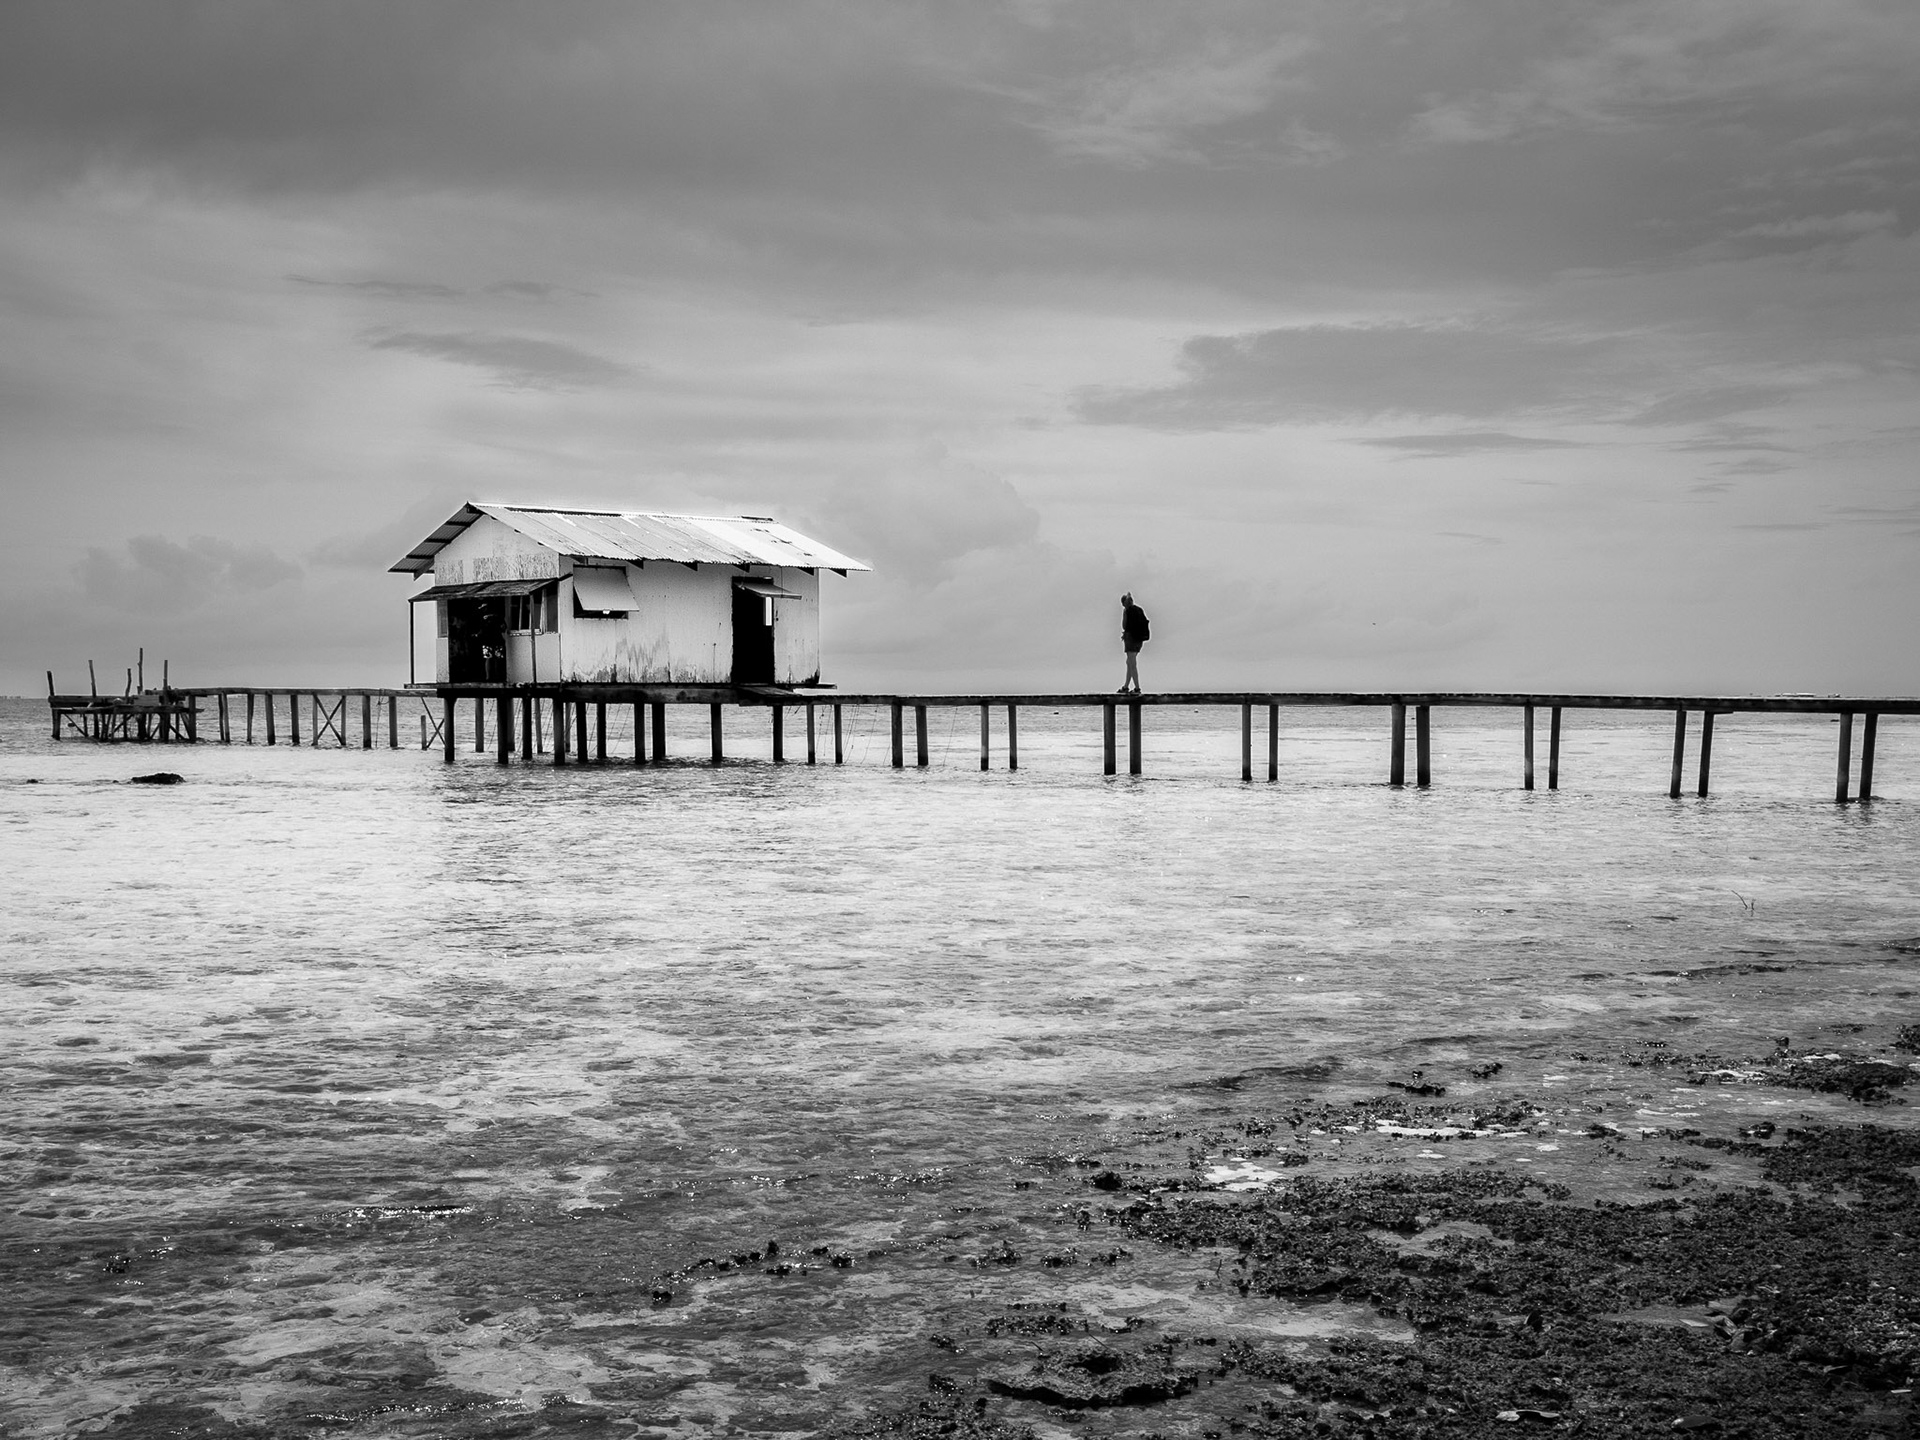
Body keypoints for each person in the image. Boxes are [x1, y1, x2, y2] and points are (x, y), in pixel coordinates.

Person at [1118, 592, 1149, 693]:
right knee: (1129, 662)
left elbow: (1124, 626)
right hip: (1139, 640)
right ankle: (1126, 686)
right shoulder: (1139, 610)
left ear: (1124, 603)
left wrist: (1124, 613)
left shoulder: (1127, 611)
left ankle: (1137, 688)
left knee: (1132, 663)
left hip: (1131, 639)